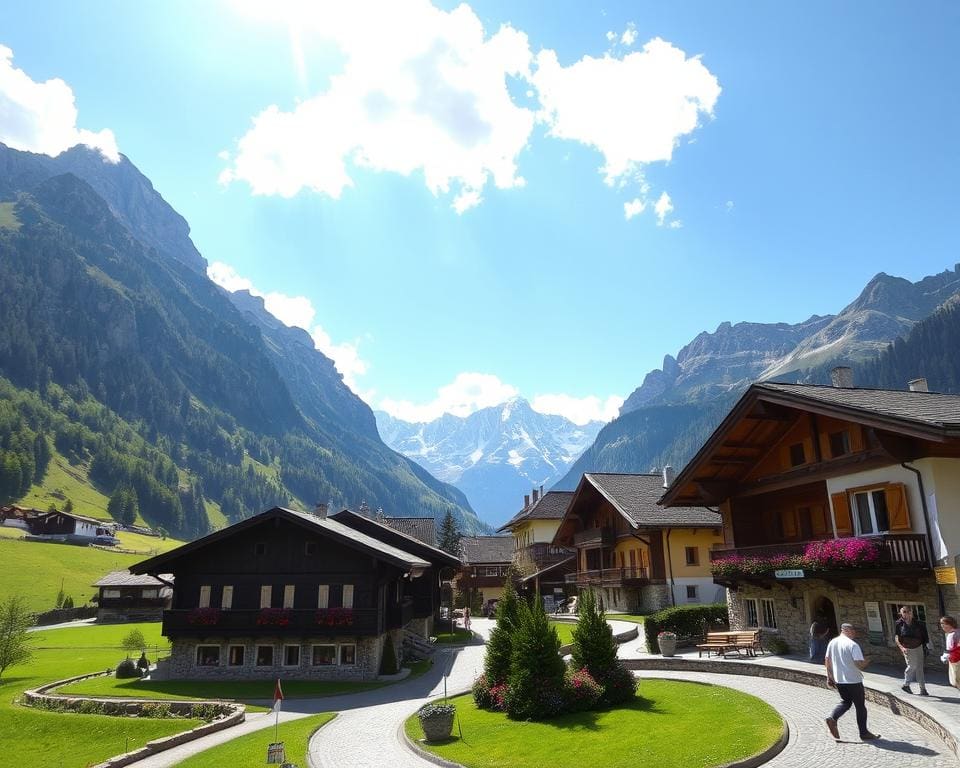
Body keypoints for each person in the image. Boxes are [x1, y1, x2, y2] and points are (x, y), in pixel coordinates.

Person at [824, 622, 879, 742]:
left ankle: (832, 718)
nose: (854, 633)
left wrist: (829, 677)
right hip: (853, 680)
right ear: (847, 630)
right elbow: (859, 664)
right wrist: (868, 660)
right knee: (860, 706)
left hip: (839, 680)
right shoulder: (853, 645)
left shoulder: (832, 642)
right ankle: (864, 733)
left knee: (846, 702)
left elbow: (827, 660)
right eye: (853, 631)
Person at [894, 605, 930, 695]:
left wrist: (926, 646)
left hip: (919, 647)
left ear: (912, 613)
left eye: (908, 612)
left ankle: (923, 689)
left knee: (919, 668)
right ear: (901, 613)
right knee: (912, 666)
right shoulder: (899, 624)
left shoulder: (919, 623)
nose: (907, 614)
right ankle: (906, 684)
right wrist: (902, 648)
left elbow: (925, 636)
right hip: (907, 648)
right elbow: (897, 638)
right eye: (904, 612)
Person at [940, 616, 959, 689]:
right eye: (941, 625)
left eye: (944, 624)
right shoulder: (951, 634)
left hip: (957, 660)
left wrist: (949, 655)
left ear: (950, 624)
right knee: (955, 681)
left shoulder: (956, 634)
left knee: (956, 681)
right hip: (953, 660)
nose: (942, 627)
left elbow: (956, 648)